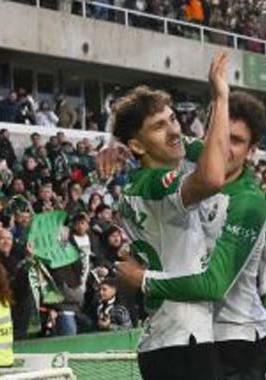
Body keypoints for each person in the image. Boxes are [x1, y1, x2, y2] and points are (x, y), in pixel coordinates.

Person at [115, 91, 266, 380]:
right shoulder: (177, 181)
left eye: (235, 141)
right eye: (220, 137)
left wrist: (144, 280)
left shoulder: (248, 202)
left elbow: (214, 284)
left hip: (235, 336)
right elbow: (179, 151)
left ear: (252, 151)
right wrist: (118, 147)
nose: (223, 148)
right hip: (186, 337)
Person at [104, 51, 230, 380]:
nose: (174, 130)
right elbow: (214, 176)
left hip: (171, 340)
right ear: (138, 146)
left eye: (173, 119)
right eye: (159, 126)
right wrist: (220, 98)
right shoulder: (155, 184)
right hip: (182, 343)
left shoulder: (138, 186)